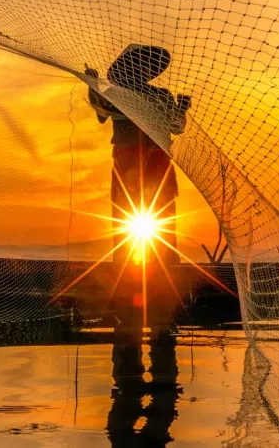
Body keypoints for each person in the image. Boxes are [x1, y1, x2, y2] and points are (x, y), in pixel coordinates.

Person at [86, 45, 191, 341]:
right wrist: (93, 85)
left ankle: (163, 311)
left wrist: (181, 108)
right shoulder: (115, 91)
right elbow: (103, 111)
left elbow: (176, 126)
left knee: (164, 235)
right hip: (127, 163)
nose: (145, 71)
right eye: (139, 65)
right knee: (124, 234)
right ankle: (126, 308)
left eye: (148, 66)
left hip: (157, 163)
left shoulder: (160, 95)